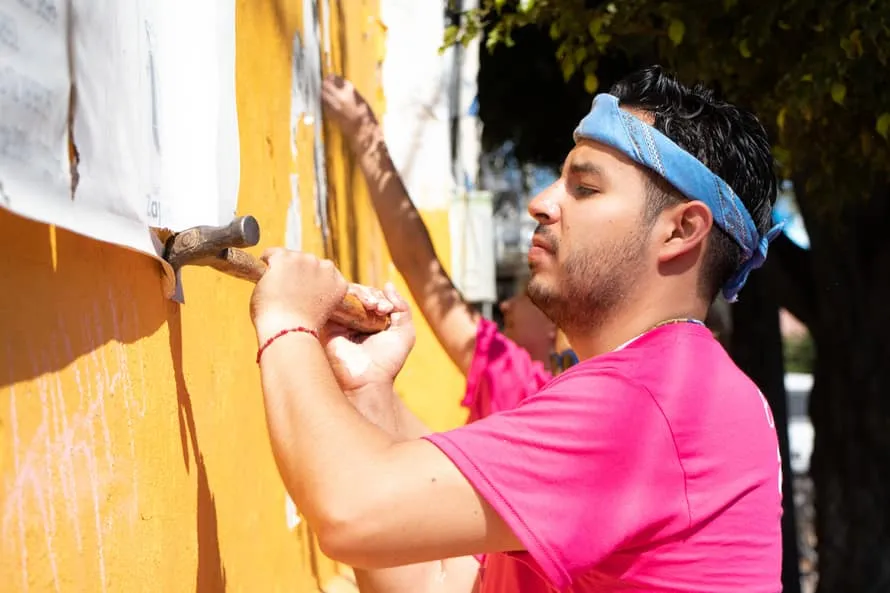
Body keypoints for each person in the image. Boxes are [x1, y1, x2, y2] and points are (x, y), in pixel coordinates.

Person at [249, 65, 783, 592]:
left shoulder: (652, 401)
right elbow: (440, 580)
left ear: (680, 230)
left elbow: (352, 512)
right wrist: (366, 389)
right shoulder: (676, 389)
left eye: (586, 187)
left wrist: (287, 320)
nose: (542, 202)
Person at [321, 75, 560, 419]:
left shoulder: (520, 384)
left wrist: (366, 135)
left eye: (526, 293)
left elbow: (421, 268)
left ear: (555, 324)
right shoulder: (557, 405)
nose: (506, 305)